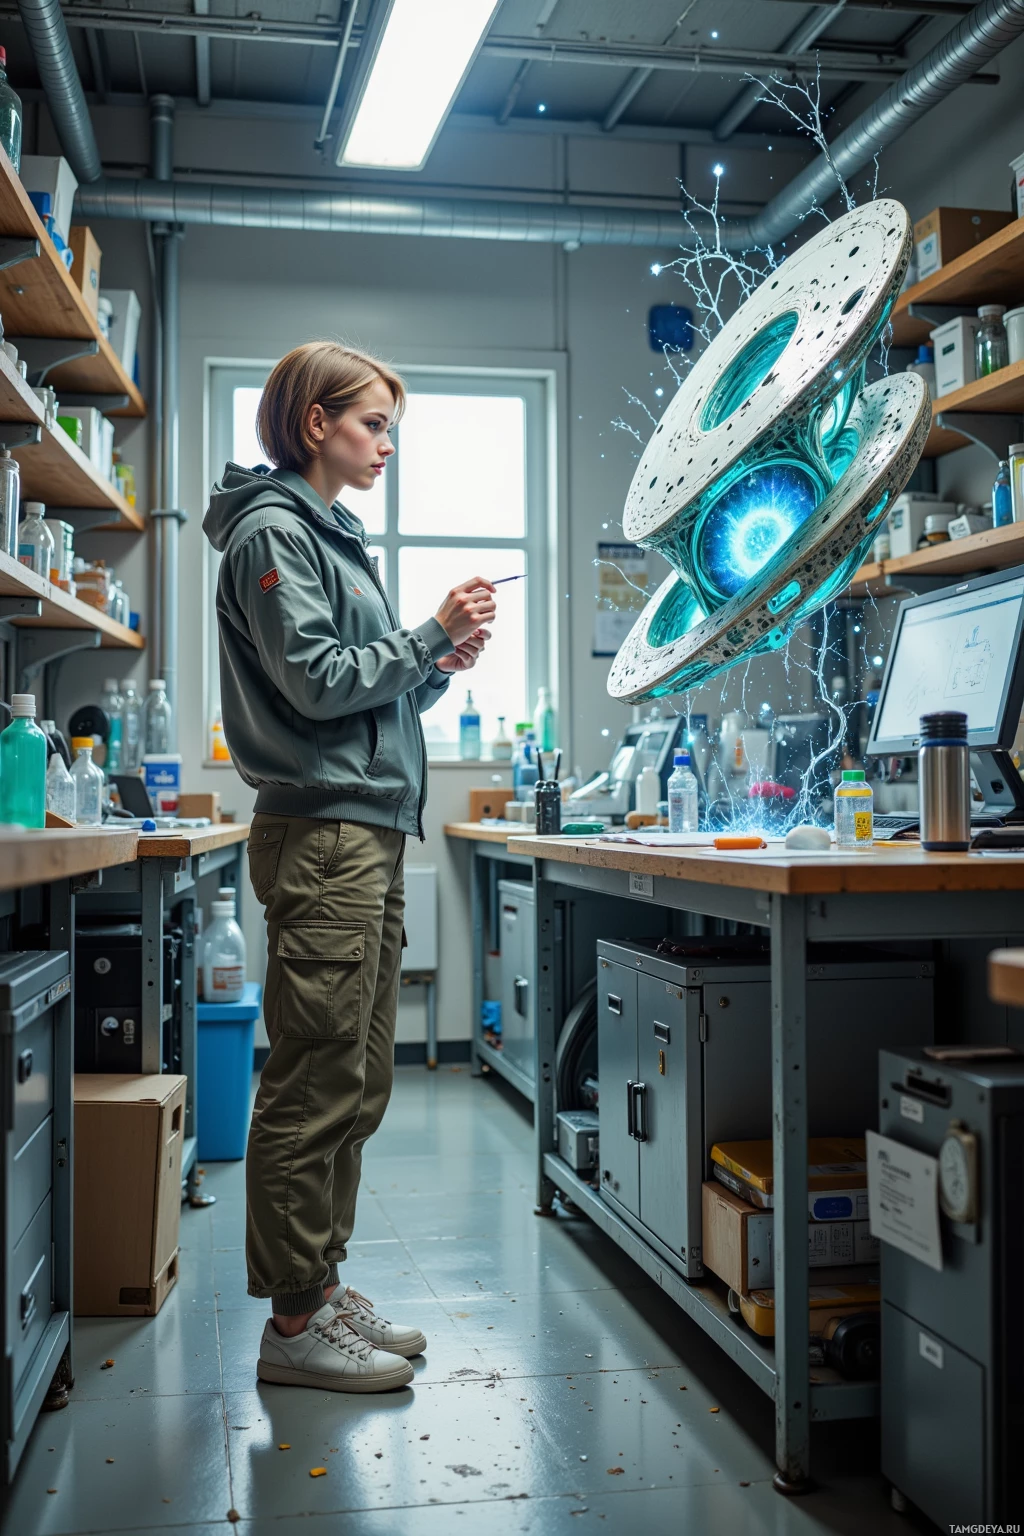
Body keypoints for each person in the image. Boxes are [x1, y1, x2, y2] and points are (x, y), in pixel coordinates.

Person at [203, 342, 497, 1393]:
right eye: (373, 424)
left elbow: (348, 698)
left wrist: (431, 666)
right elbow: (320, 682)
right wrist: (426, 634)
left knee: (358, 1079)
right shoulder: (275, 534)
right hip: (324, 838)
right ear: (315, 421)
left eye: (390, 431)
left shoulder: (329, 534)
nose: (384, 446)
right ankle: (292, 1326)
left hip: (360, 831)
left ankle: (318, 1288)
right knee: (313, 1077)